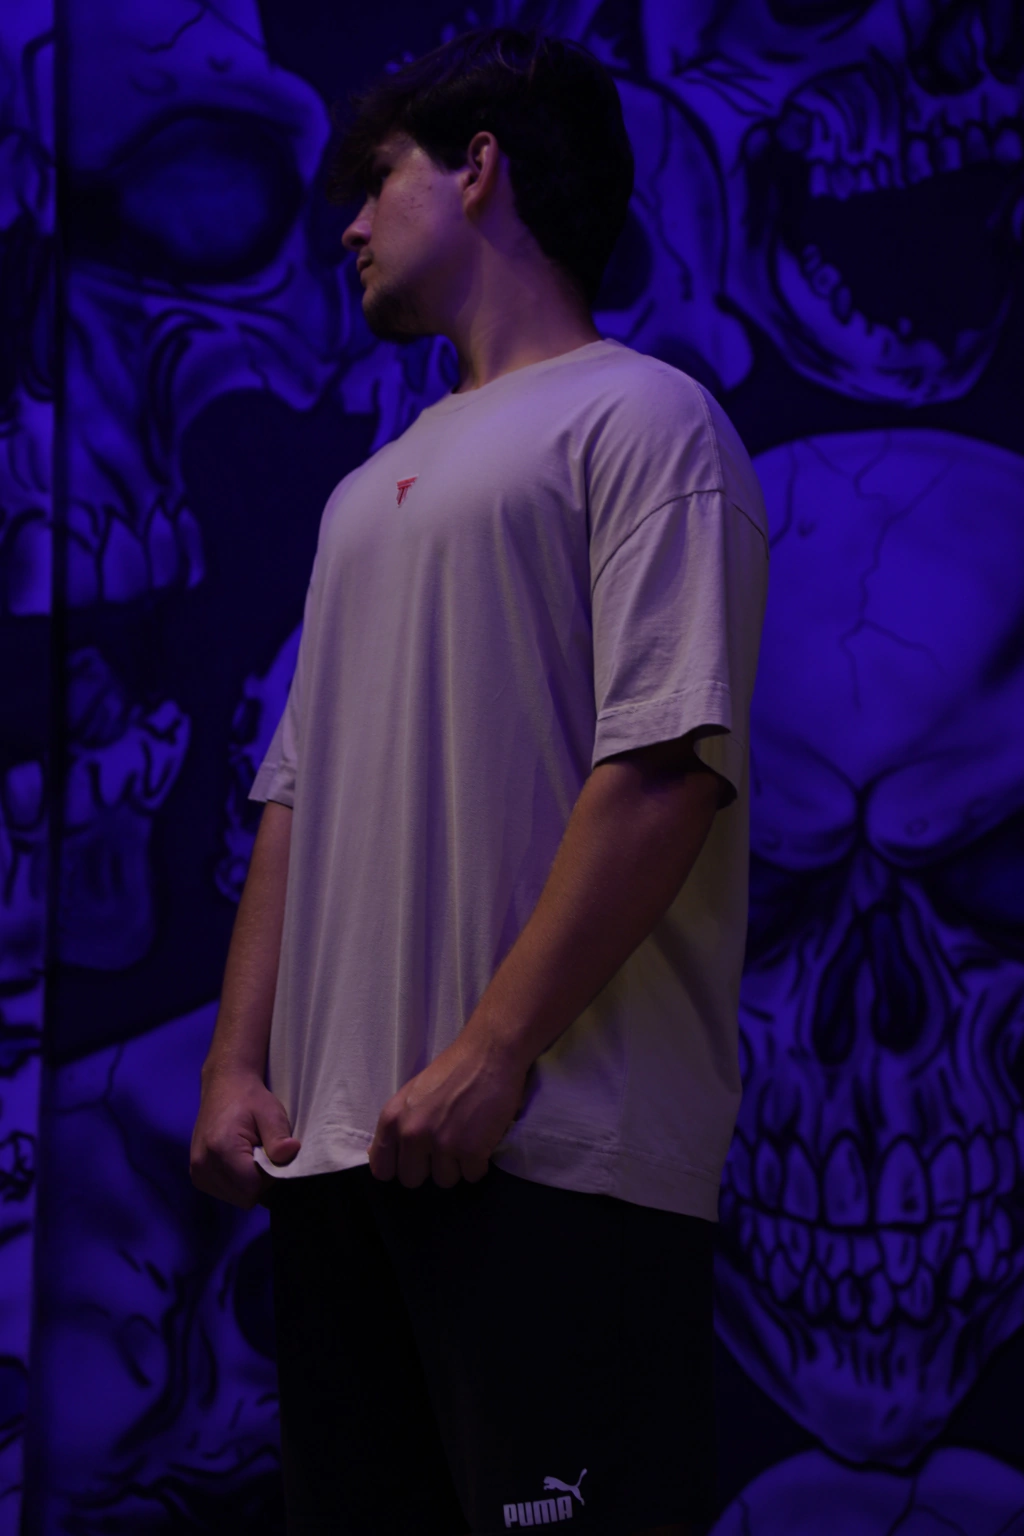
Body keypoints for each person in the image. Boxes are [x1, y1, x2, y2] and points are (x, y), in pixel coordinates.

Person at [190, 24, 769, 1536]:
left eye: (376, 178)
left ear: (480, 169)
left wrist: (494, 1055)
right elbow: (295, 795)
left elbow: (665, 768)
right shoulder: (357, 496)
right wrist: (238, 1063)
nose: (348, 225)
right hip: (338, 1159)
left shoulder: (645, 420)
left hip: (555, 1154)